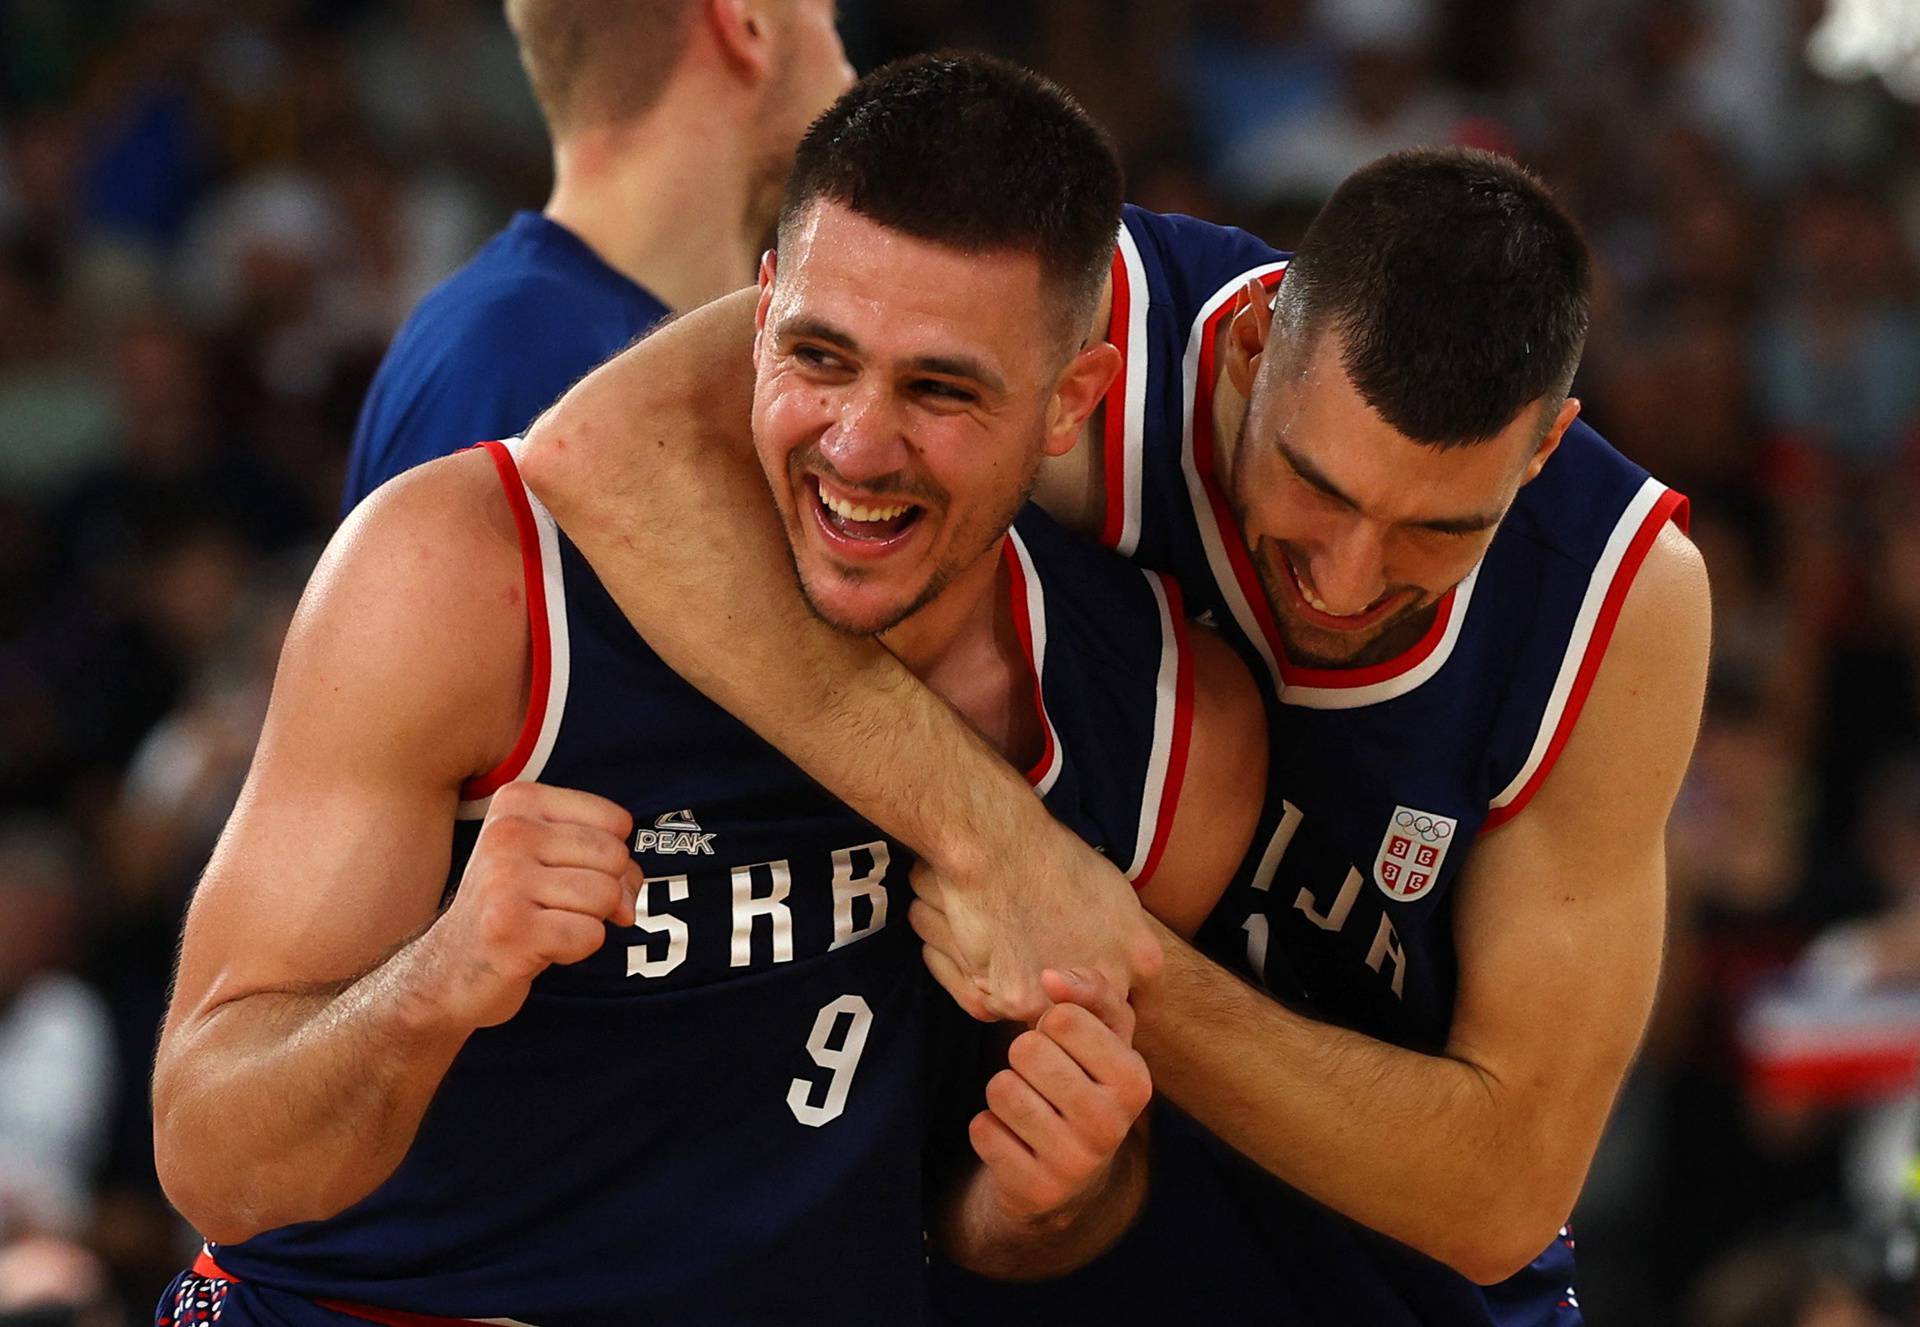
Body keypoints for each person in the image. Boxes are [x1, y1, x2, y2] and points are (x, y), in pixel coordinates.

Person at [150, 57, 1266, 1327]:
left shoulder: (1169, 723)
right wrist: (438, 980)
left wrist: (1050, 1196)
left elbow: (990, 1216)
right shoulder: (468, 577)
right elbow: (217, 1164)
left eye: (940, 388)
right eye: (819, 356)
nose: (856, 444)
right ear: (759, 314)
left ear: (1074, 397)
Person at [516, 141, 1713, 1321]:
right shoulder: (1084, 318)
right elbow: (615, 449)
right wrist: (993, 838)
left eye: (1435, 533)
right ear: (1253, 348)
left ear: (1543, 449)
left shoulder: (1622, 599)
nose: (1348, 580)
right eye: (1318, 486)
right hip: (1031, 1220)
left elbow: (1502, 1188)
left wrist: (1094, 938)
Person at [339, 0, 853, 511]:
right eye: (827, 15)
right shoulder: (517, 358)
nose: (849, 72)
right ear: (746, 24)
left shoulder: (525, 342)